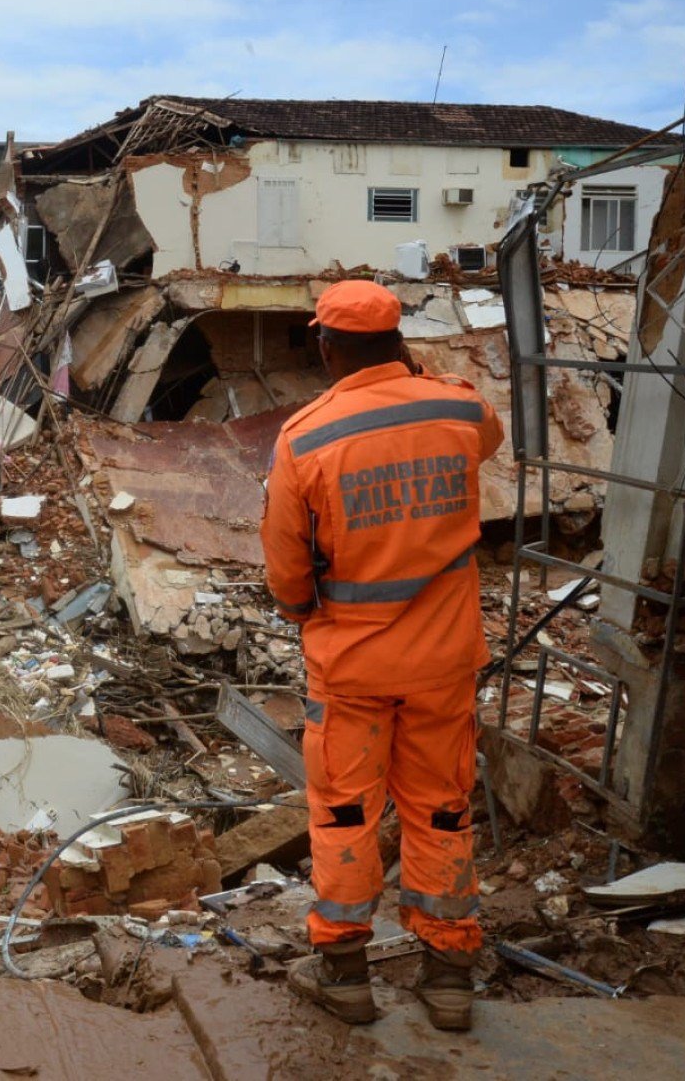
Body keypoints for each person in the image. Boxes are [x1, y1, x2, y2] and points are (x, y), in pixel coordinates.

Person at [260, 279, 502, 1033]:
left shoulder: (305, 438)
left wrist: (306, 613)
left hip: (353, 670)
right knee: (442, 809)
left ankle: (344, 975)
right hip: (443, 664)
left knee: (343, 814)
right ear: (400, 341)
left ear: (327, 347)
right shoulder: (460, 408)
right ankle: (449, 977)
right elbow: (483, 439)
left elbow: (287, 573)